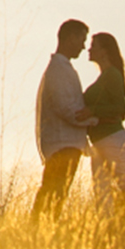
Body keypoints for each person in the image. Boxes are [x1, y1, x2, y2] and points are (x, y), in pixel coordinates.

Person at [33, 13, 94, 215]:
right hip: (63, 145)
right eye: (81, 40)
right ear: (70, 38)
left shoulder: (63, 68)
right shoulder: (58, 70)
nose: (83, 47)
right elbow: (66, 108)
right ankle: (38, 234)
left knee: (55, 196)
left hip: (66, 144)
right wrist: (95, 119)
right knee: (54, 195)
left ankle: (41, 233)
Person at [80, 31, 125, 207]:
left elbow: (120, 109)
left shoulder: (112, 75)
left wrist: (92, 112)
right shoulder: (104, 77)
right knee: (101, 194)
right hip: (98, 142)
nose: (89, 49)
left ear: (104, 51)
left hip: (111, 139)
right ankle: (107, 231)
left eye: (93, 46)